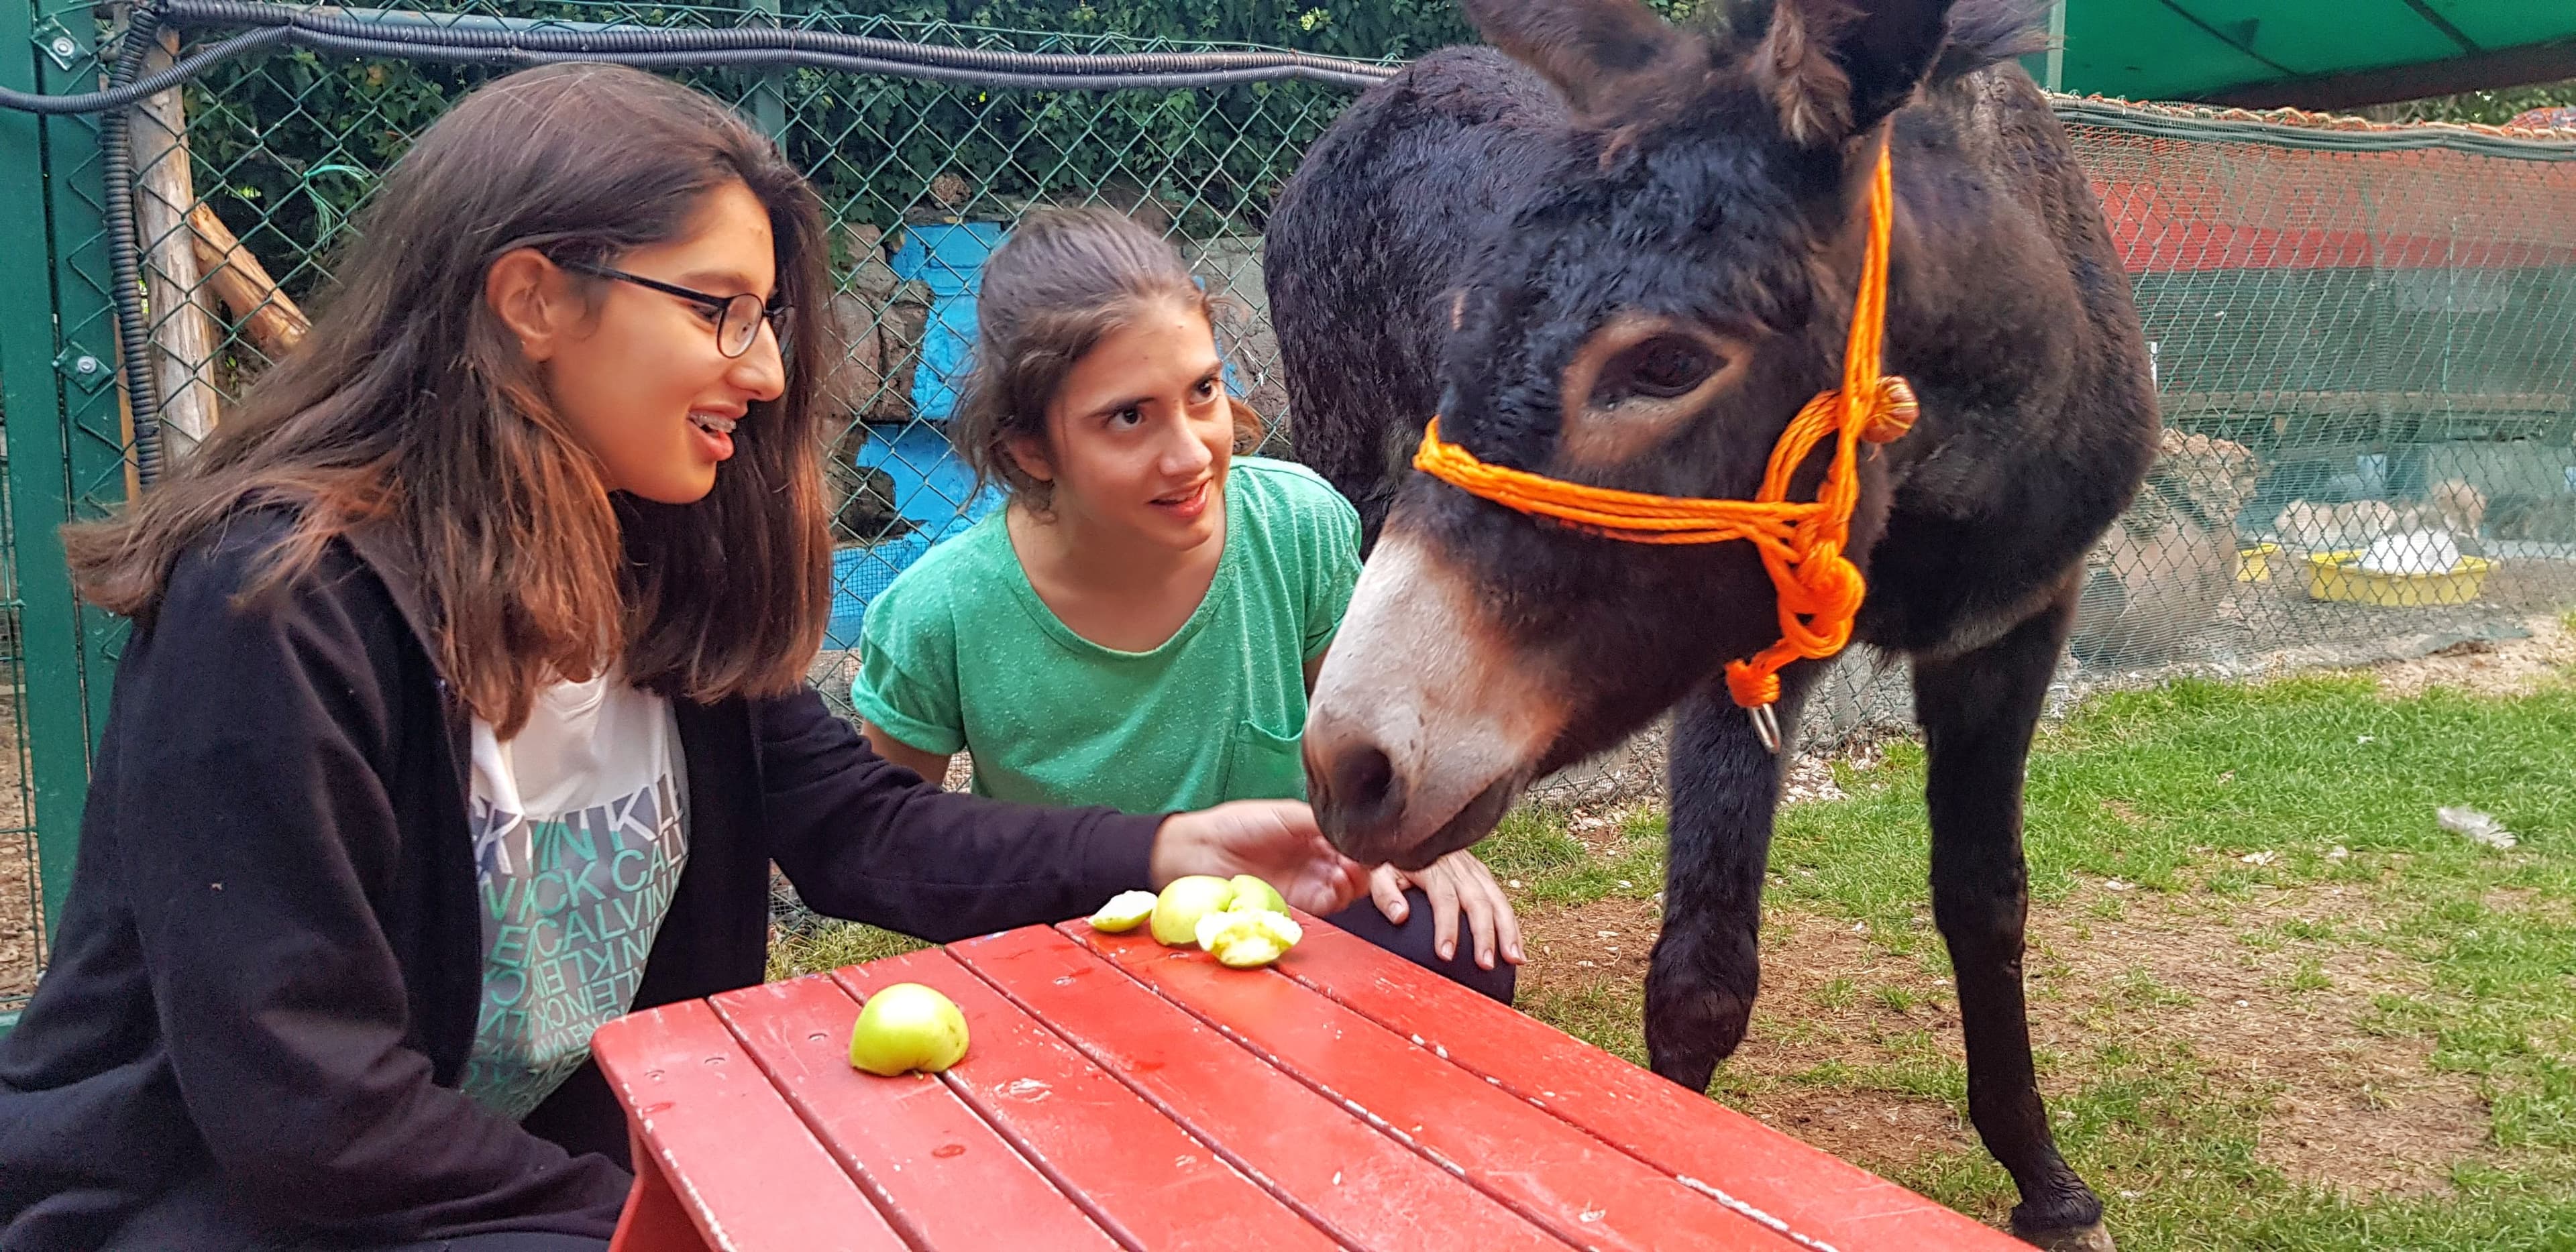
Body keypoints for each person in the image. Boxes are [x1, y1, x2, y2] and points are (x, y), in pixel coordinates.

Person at [0, 65, 1364, 1252]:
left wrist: (1167, 853)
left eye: (766, 316)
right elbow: (311, 1111)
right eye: (719, 306)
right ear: (533, 297)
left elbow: (862, 832)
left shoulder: (653, 575)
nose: (767, 371)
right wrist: (701, 1216)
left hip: (516, 1192)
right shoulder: (279, 606)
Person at [849, 209, 1520, 1001]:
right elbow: (891, 840)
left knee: (1455, 952)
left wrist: (1414, 839)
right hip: (1072, 929)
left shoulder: (1296, 526)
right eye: (1129, 417)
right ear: (1030, 447)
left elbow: (1360, 723)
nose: (1191, 451)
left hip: (1279, 907)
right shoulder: (938, 613)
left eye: (1202, 391)